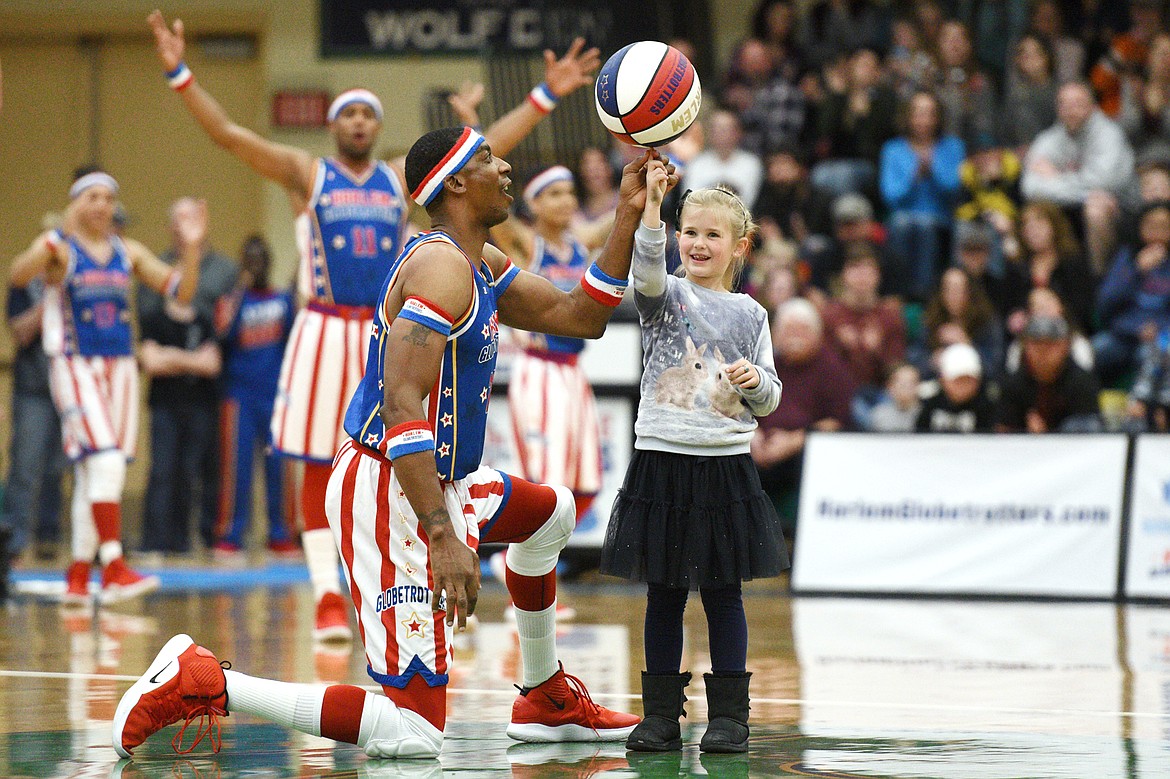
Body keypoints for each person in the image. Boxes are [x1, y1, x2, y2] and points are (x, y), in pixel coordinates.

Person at [112, 129, 658, 762]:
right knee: (414, 736)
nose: (504, 166)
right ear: (455, 183)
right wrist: (441, 534)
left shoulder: (476, 261)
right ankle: (206, 681)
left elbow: (577, 316)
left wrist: (627, 212)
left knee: (552, 514)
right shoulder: (439, 269)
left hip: (442, 479)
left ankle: (542, 695)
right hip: (392, 489)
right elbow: (402, 402)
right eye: (487, 159)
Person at [148, 10, 600, 640]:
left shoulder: (398, 180)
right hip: (323, 325)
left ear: (379, 128)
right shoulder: (308, 174)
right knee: (315, 458)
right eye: (348, 113)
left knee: (395, 447)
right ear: (333, 126)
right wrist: (178, 71)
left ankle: (393, 574)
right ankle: (327, 595)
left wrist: (546, 94)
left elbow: (481, 149)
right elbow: (227, 134)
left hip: (390, 324)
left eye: (368, 114)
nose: (359, 122)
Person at [599, 170, 787, 755]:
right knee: (664, 594)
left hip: (725, 466)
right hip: (661, 461)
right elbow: (647, 269)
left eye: (712, 235)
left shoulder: (752, 317)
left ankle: (730, 716)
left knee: (724, 593)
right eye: (689, 232)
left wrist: (756, 381)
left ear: (739, 246)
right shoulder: (665, 297)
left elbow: (771, 395)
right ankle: (660, 716)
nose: (698, 243)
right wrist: (653, 206)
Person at [7, 167, 203, 603]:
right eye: (91, 196)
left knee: (95, 471)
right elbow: (18, 276)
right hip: (75, 364)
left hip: (120, 367)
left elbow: (180, 292)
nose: (100, 205)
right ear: (75, 202)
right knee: (107, 460)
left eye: (107, 197)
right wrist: (45, 247)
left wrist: (190, 250)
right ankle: (112, 564)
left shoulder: (126, 250)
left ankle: (78, 575)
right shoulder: (60, 249)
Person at [137, 197, 234, 557]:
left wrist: (174, 358)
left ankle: (206, 541)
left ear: (205, 221)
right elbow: (148, 333)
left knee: (207, 469)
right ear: (169, 226)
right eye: (177, 218)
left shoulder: (224, 271)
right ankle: (156, 541)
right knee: (163, 469)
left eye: (191, 217)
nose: (184, 225)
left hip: (209, 392)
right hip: (164, 391)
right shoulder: (154, 267)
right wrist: (190, 359)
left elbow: (223, 338)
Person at [212, 236, 298, 557]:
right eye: (250, 258)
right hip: (239, 397)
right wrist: (240, 287)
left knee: (279, 468)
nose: (256, 262)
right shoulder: (232, 300)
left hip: (275, 396)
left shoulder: (282, 300)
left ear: (270, 261)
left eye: (261, 257)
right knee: (236, 468)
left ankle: (280, 533)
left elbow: (295, 336)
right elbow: (223, 330)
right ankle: (230, 534)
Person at [1021, 81, 1135, 275]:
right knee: (1037, 212)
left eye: (1078, 103)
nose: (1070, 110)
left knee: (1096, 209)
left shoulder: (1109, 134)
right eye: (1064, 104)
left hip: (1122, 209)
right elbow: (1030, 187)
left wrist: (1056, 177)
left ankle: (1100, 279)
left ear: (1092, 105)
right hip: (1070, 206)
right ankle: (1045, 281)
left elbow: (1104, 183)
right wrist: (1079, 186)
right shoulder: (1049, 139)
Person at [0, 277, 68, 565]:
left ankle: (48, 537)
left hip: (68, 386)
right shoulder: (23, 282)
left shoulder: (78, 279)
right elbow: (20, 332)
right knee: (25, 465)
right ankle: (13, 541)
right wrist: (51, 304)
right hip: (32, 389)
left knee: (58, 467)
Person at [879, 89, 965, 301]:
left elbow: (955, 190)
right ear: (908, 117)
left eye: (929, 113)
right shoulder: (893, 149)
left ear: (938, 117)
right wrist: (914, 177)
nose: (923, 120)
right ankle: (897, 293)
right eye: (918, 113)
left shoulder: (952, 146)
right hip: (902, 217)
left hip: (940, 218)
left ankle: (923, 295)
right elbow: (890, 197)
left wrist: (933, 171)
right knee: (902, 223)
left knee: (924, 225)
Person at [1093, 200, 1170, 382]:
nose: (1157, 231)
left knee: (1154, 358)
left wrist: (1160, 329)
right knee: (1090, 354)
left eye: (1164, 226)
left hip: (1162, 338)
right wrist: (1136, 270)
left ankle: (1146, 408)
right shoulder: (1127, 257)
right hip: (1123, 335)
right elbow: (1105, 302)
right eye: (1151, 224)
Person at [996, 315, 1101, 433]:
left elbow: (1090, 436)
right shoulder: (1013, 384)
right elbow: (1003, 432)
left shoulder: (1082, 382)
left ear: (1065, 346)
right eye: (1036, 345)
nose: (1043, 352)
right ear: (1025, 346)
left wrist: (1047, 436)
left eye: (1050, 345)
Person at [915, 342, 995, 433]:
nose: (963, 386)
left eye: (968, 380)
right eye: (958, 380)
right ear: (943, 380)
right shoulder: (929, 404)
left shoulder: (986, 408)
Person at [867, 362, 922, 433]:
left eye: (911, 382)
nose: (907, 387)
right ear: (890, 387)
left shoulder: (928, 415)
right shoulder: (879, 415)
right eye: (902, 383)